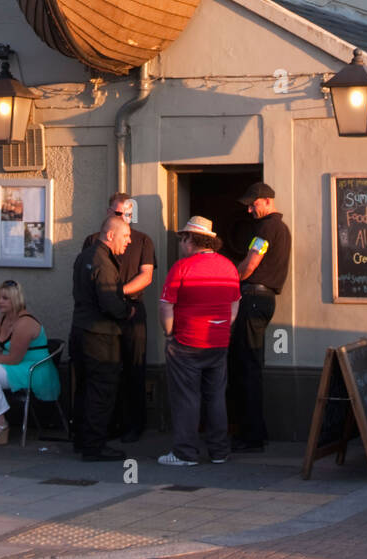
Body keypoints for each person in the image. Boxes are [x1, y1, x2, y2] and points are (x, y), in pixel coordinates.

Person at [157, 217, 241, 466]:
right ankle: (219, 451)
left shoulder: (181, 267)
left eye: (183, 238)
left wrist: (169, 333)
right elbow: (234, 303)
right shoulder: (229, 267)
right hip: (218, 341)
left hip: (186, 342)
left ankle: (185, 453)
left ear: (190, 239)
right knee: (215, 396)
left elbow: (165, 306)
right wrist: (224, 327)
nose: (181, 243)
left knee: (187, 397)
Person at [78, 193, 155, 443]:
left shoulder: (142, 241)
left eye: (128, 214)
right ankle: (104, 427)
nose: (124, 218)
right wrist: (108, 297)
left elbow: (146, 276)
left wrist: (117, 293)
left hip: (130, 310)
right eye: (119, 213)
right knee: (105, 371)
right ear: (109, 211)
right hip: (103, 314)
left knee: (134, 367)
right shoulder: (93, 241)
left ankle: (134, 425)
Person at [227, 182, 292, 452]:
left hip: (253, 298)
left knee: (246, 367)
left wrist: (231, 280)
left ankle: (251, 435)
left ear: (267, 201)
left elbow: (252, 261)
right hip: (264, 300)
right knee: (251, 365)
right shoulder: (279, 228)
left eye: (254, 204)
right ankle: (256, 432)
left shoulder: (267, 228)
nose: (251, 209)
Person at [71, 213, 132, 460]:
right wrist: (127, 310)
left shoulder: (84, 256)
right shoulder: (104, 262)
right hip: (100, 336)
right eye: (125, 236)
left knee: (84, 388)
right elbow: (108, 302)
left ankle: (82, 441)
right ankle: (94, 446)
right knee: (101, 391)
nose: (128, 241)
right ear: (110, 235)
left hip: (81, 331)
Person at [0, 280, 60, 446]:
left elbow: (14, 359)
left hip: (34, 369)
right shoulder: (2, 319)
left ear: (16, 299)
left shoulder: (25, 322)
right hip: (13, 366)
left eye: (5, 298)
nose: (0, 301)